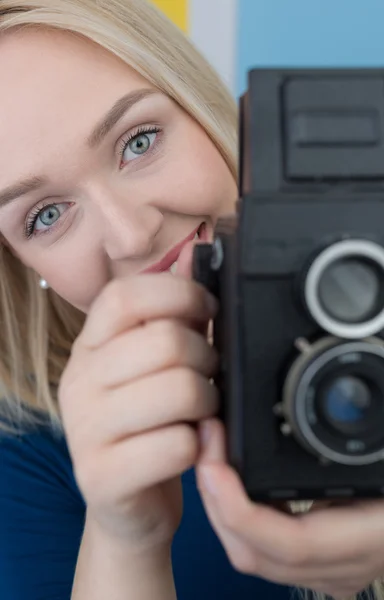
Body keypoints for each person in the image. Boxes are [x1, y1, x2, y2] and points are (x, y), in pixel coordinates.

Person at [0, 1, 384, 599]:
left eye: (139, 140)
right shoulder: (25, 449)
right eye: (46, 216)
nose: (131, 234)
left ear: (201, 108)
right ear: (22, 261)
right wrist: (124, 537)